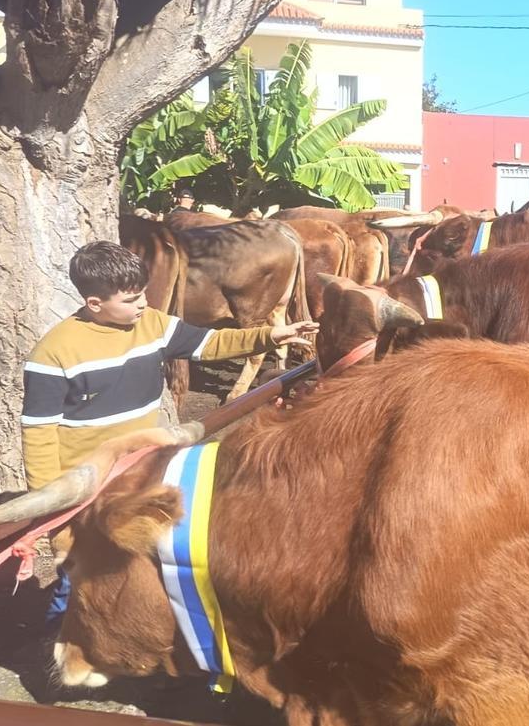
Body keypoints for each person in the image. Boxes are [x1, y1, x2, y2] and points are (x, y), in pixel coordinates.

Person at [23, 241, 317, 627]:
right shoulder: (53, 354)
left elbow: (210, 344)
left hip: (145, 470)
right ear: (94, 303)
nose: (143, 304)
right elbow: (39, 433)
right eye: (131, 299)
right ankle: (61, 634)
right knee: (80, 572)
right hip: (91, 484)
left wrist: (271, 336)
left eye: (143, 293)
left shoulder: (153, 325)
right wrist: (51, 506)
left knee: (142, 560)